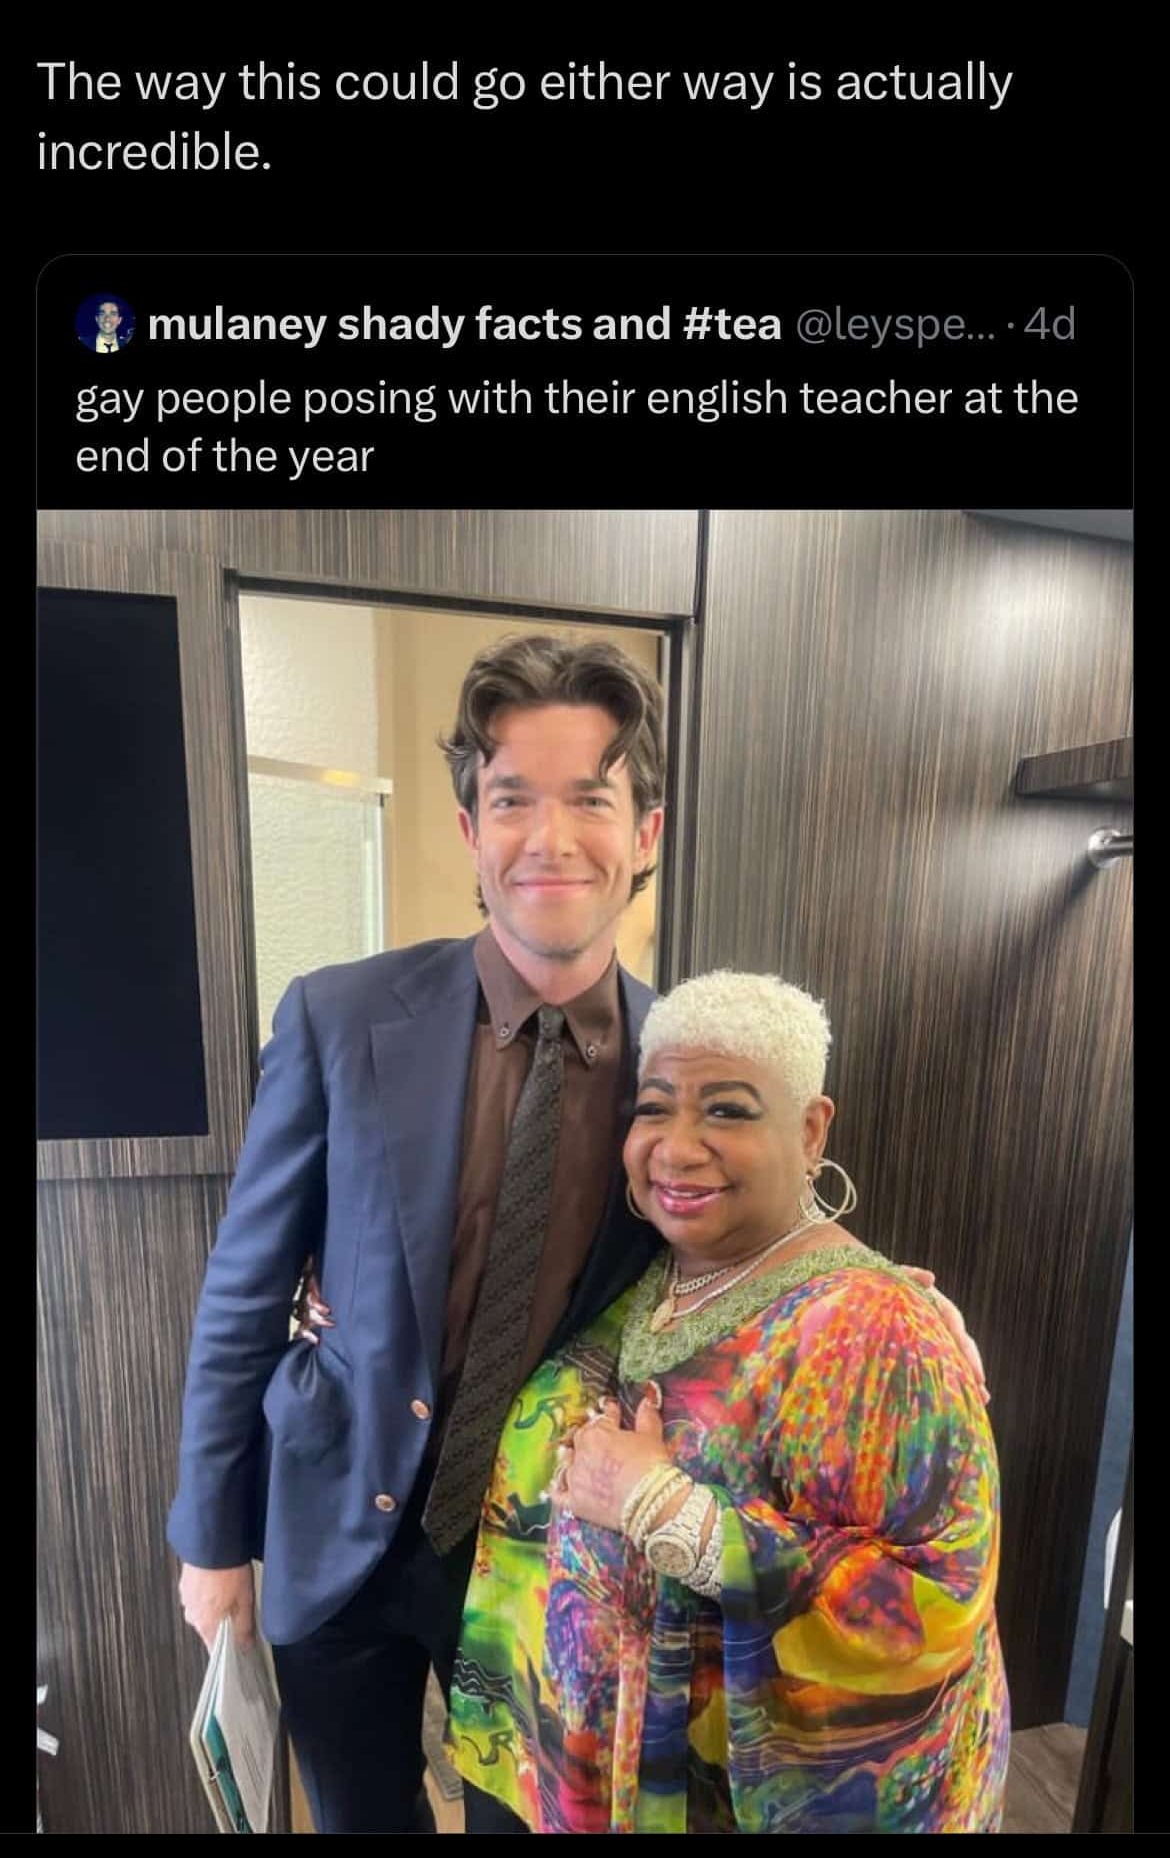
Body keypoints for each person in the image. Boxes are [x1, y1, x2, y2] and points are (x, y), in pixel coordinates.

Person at [168, 633, 985, 1834]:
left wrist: (871, 1289)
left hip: (545, 1553)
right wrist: (211, 1541)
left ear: (644, 833)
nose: (550, 838)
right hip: (332, 1518)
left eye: (589, 799)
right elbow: (244, 1288)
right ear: (470, 829)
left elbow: (736, 1229)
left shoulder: (676, 1060)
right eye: (513, 800)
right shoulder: (339, 1017)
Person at [448, 969, 1010, 1834]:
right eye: (655, 1108)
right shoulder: (646, 1271)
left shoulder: (874, 1328)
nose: (676, 1147)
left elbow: (936, 1608)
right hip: (591, 1769)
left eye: (727, 1111)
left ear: (811, 1130)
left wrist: (664, 1509)